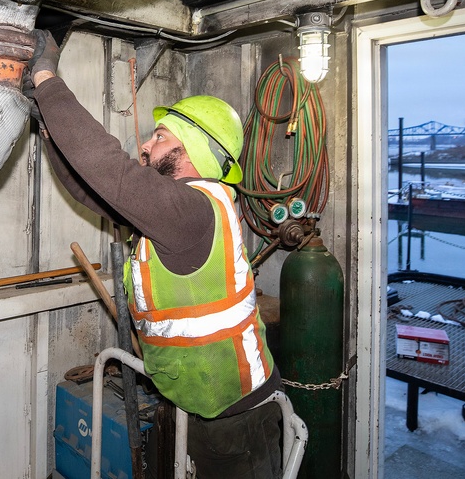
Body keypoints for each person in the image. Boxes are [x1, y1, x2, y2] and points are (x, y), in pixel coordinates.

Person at [26, 30, 283, 478]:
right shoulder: (184, 210)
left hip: (237, 417)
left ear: (194, 149)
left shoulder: (190, 211)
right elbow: (96, 193)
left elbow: (110, 171)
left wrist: (48, 79)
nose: (145, 146)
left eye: (160, 137)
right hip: (208, 402)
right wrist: (49, 128)